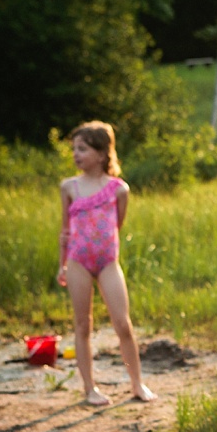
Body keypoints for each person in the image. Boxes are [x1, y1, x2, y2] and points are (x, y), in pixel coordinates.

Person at [57, 121, 157, 406]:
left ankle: (137, 384)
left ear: (102, 154)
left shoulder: (119, 190)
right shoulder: (69, 187)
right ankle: (90, 389)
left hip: (108, 262)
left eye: (83, 149)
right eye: (75, 149)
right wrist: (61, 265)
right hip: (78, 261)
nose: (76, 154)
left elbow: (118, 225)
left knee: (123, 324)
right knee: (82, 325)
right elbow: (64, 231)